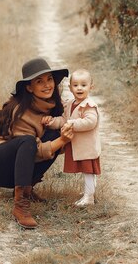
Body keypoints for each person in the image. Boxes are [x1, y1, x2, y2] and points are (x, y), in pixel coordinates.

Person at [0, 57, 74, 229]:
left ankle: (24, 188)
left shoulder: (52, 105)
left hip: (18, 163)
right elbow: (31, 150)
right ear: (29, 87)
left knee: (54, 132)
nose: (47, 85)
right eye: (39, 81)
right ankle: (20, 206)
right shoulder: (20, 111)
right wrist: (63, 140)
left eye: (49, 79)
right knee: (30, 141)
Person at [43, 69, 101, 206]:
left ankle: (89, 197)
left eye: (83, 85)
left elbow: (90, 122)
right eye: (75, 85)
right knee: (86, 171)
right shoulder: (70, 104)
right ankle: (89, 191)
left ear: (91, 87)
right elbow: (64, 119)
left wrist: (72, 124)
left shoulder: (89, 105)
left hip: (87, 146)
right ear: (70, 88)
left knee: (88, 171)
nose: (79, 88)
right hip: (78, 146)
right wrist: (52, 122)